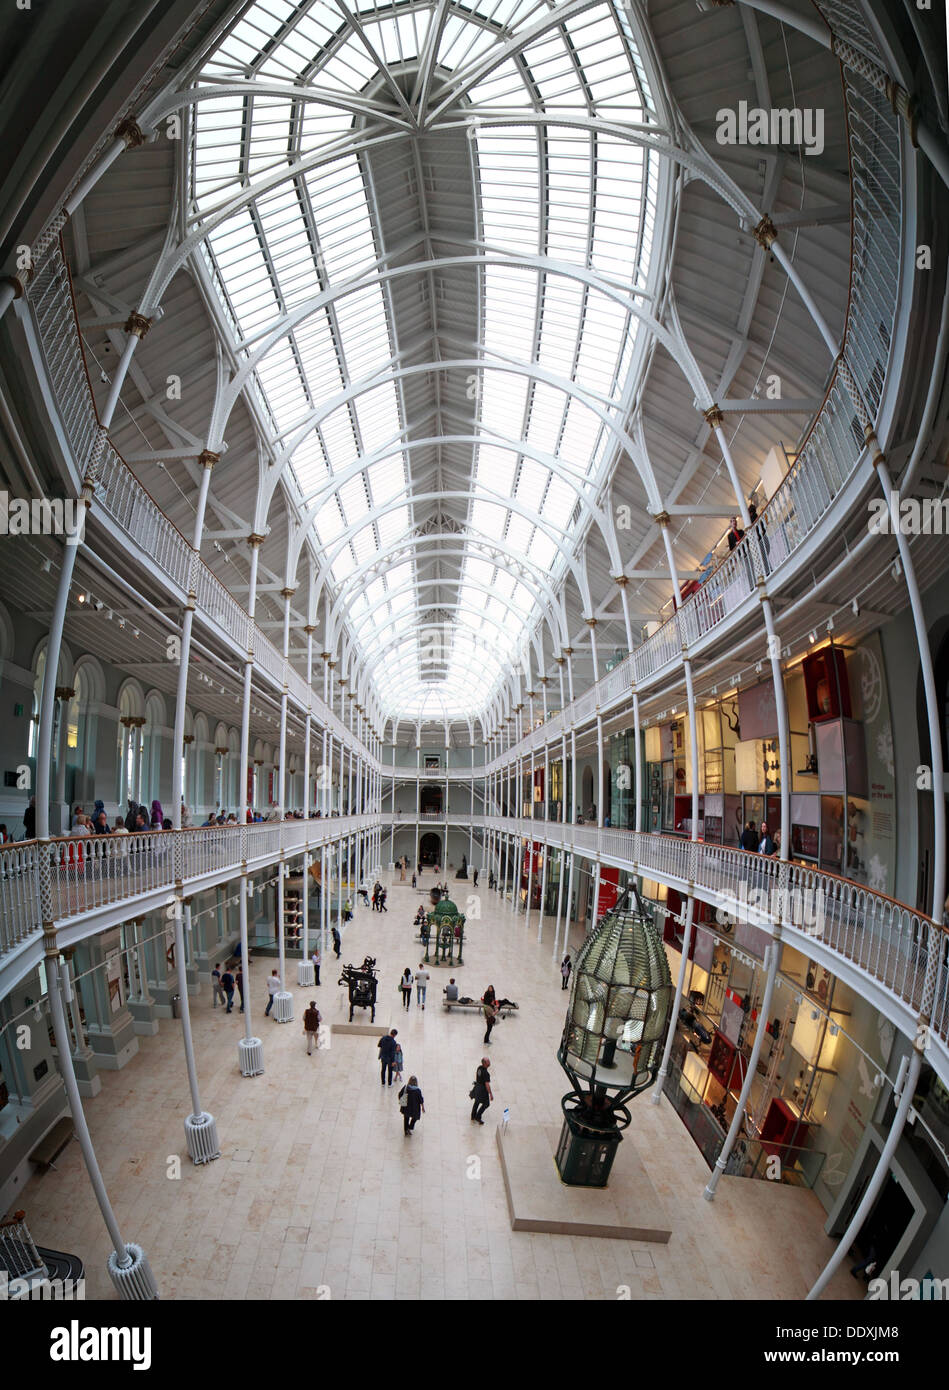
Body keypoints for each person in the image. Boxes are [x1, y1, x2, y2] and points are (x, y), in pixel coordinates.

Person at [470, 1057, 493, 1124]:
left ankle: (473, 1115)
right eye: (488, 1061)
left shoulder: (479, 1068)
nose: (489, 1061)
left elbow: (477, 1075)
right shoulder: (486, 1073)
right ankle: (478, 1116)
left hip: (477, 1087)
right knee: (486, 1104)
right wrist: (490, 1094)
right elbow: (487, 1085)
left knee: (477, 1102)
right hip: (482, 1090)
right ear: (485, 1064)